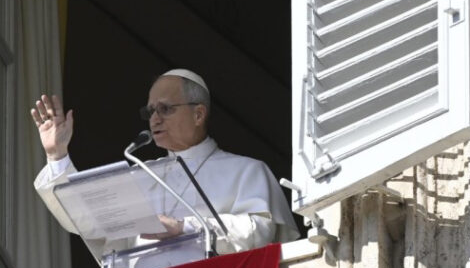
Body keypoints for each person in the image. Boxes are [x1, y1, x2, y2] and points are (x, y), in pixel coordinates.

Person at [30, 69, 299, 255]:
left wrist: (186, 228)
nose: (154, 119)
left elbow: (259, 233)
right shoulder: (139, 176)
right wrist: (57, 155)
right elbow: (87, 220)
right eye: (150, 111)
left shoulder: (246, 171)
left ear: (198, 114)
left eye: (165, 109)